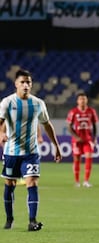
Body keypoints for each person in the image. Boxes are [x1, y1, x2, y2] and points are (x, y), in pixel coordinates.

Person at [0, 69, 62, 231]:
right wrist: (1, 134)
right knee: (9, 184)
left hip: (31, 153)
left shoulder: (38, 103)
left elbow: (46, 124)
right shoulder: (7, 102)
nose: (26, 85)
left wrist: (56, 146)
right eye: (22, 82)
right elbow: (0, 123)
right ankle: (9, 219)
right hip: (11, 152)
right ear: (16, 84)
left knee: (32, 183)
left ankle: (32, 221)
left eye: (28, 82)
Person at [66, 92, 99, 187]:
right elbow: (69, 126)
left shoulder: (91, 111)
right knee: (77, 159)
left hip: (88, 139)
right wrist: (76, 137)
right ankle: (76, 181)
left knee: (89, 157)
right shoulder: (73, 112)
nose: (82, 101)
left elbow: (94, 125)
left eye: (84, 99)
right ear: (77, 101)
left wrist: (95, 137)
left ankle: (86, 181)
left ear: (87, 100)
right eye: (80, 99)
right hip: (77, 140)